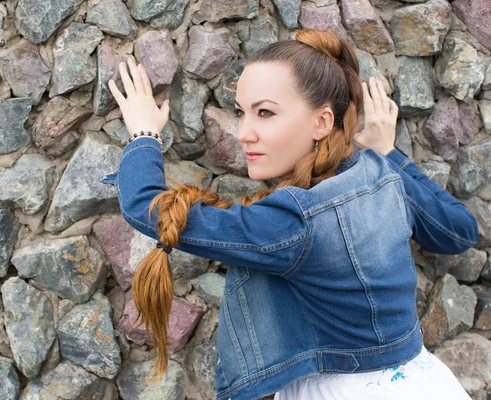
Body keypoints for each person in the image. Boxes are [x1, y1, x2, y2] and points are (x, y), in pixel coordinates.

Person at [104, 29, 478, 399]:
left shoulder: (294, 223)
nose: (244, 133)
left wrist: (143, 133)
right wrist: (388, 151)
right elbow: (458, 232)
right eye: (241, 112)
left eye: (265, 112)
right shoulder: (380, 173)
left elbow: (145, 207)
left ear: (322, 122)